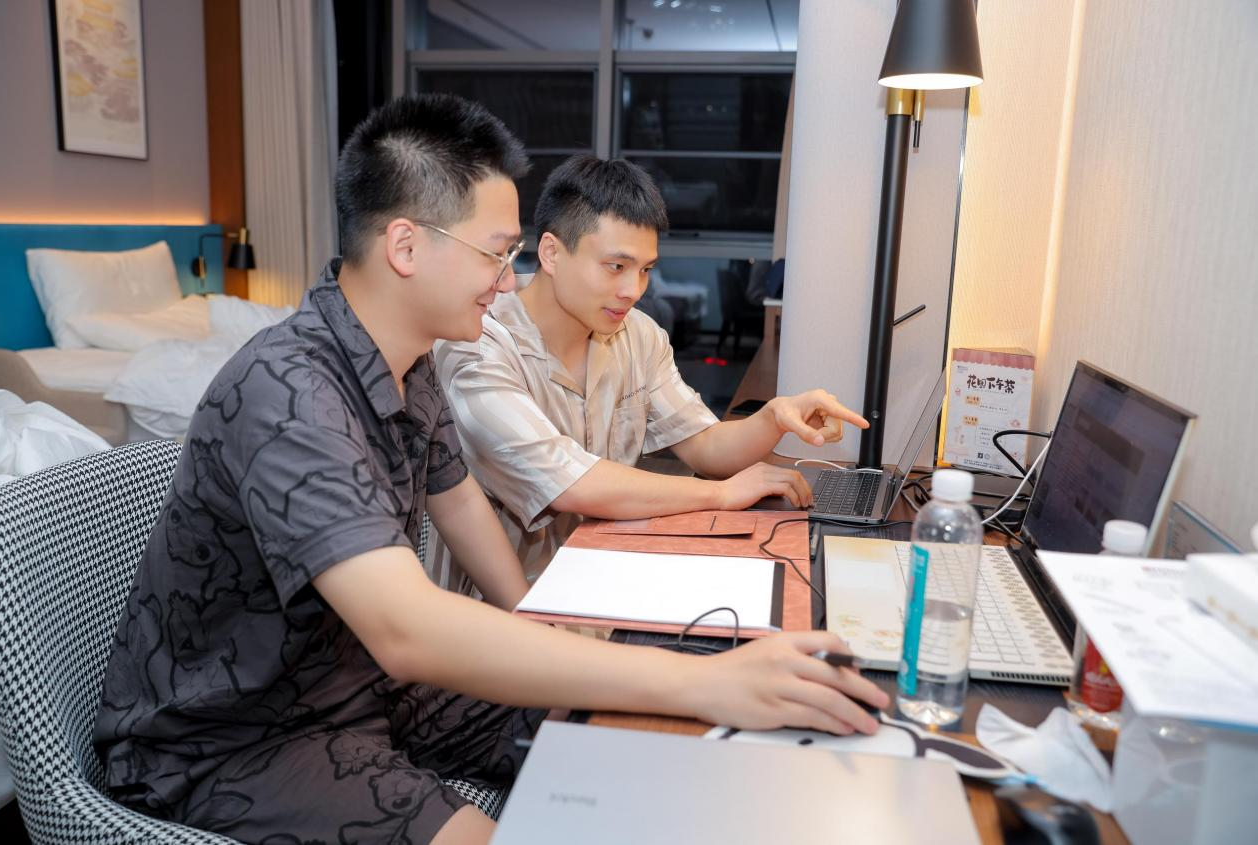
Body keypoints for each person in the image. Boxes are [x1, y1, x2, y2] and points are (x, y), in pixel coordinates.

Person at [93, 95, 887, 845]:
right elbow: (405, 628)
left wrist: (551, 629)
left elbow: (462, 506)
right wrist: (695, 681)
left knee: (634, 731)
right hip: (236, 736)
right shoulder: (290, 392)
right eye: (497, 254)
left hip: (361, 679)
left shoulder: (410, 365)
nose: (509, 280)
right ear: (406, 246)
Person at [433, 155, 869, 585]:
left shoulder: (637, 334)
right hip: (497, 606)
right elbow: (569, 481)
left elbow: (705, 446)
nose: (634, 290)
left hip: (605, 575)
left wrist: (774, 417)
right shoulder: (478, 343)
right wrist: (720, 494)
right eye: (616, 267)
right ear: (551, 252)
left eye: (645, 271)